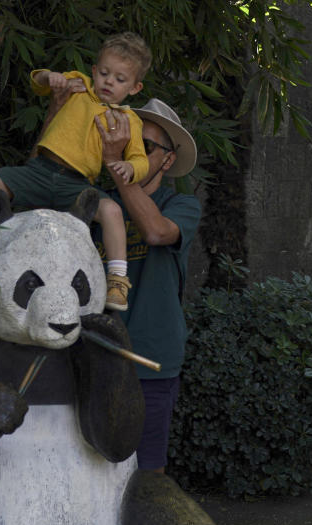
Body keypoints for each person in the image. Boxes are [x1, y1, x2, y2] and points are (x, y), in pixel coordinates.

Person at [0, 32, 152, 311]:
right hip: (40, 170)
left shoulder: (129, 120)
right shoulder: (78, 86)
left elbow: (142, 161)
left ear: (135, 88)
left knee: (112, 211)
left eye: (120, 79)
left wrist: (129, 166)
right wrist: (51, 78)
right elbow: (38, 81)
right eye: (105, 73)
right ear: (94, 70)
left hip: (76, 184)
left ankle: (117, 279)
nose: (109, 82)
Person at [93, 98, 201, 472]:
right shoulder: (98, 204)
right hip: (93, 357)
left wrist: (114, 165)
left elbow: (156, 232)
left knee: (145, 477)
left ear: (168, 161)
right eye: (130, 142)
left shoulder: (182, 204)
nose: (134, 152)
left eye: (147, 147)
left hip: (150, 363)